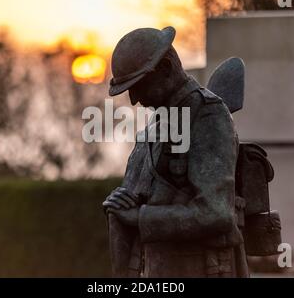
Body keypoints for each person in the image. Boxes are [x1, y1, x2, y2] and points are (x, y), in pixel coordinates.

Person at [102, 26, 249, 278]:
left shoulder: (208, 115)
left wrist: (140, 217)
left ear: (167, 69)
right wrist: (122, 201)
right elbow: (139, 194)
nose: (134, 100)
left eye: (138, 85)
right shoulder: (159, 121)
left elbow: (217, 213)